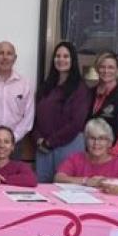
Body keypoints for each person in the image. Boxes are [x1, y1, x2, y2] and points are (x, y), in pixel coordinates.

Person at [33, 41, 91, 182]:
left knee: (66, 188)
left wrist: (50, 142)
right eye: (58, 56)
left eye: (66, 56)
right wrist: (38, 138)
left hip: (68, 144)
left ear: (73, 60)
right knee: (43, 188)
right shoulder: (46, 86)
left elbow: (76, 123)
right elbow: (35, 117)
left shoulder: (80, 88)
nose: (61, 59)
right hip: (43, 148)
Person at [55, 118, 118, 188]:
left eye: (101, 138)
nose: (96, 143)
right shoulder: (75, 159)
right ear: (85, 141)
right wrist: (86, 181)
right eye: (92, 138)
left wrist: (111, 182)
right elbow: (58, 178)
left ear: (110, 143)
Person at [87, 52, 118, 159]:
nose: (106, 71)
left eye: (111, 67)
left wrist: (112, 154)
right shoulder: (88, 93)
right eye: (102, 67)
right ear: (97, 69)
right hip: (91, 156)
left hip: (116, 157)